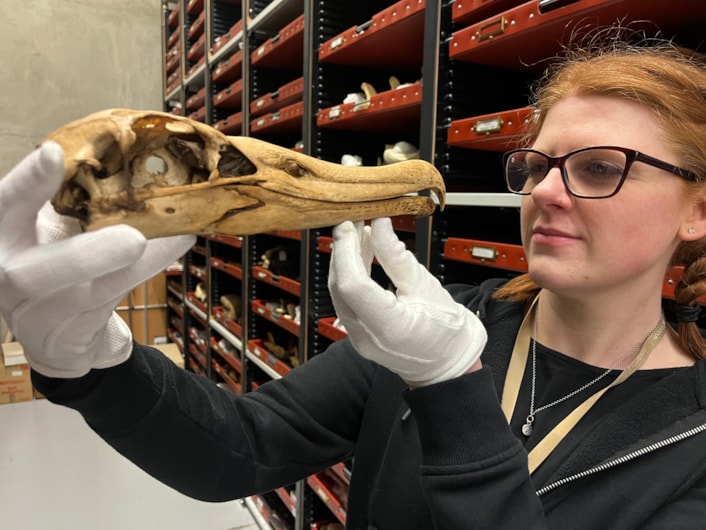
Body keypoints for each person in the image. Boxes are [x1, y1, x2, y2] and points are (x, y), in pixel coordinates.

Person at [2, 36, 706, 529]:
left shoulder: (691, 436)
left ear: (696, 210)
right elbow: (244, 448)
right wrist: (95, 362)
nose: (547, 192)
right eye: (536, 165)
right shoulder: (435, 329)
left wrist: (453, 390)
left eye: (599, 168)